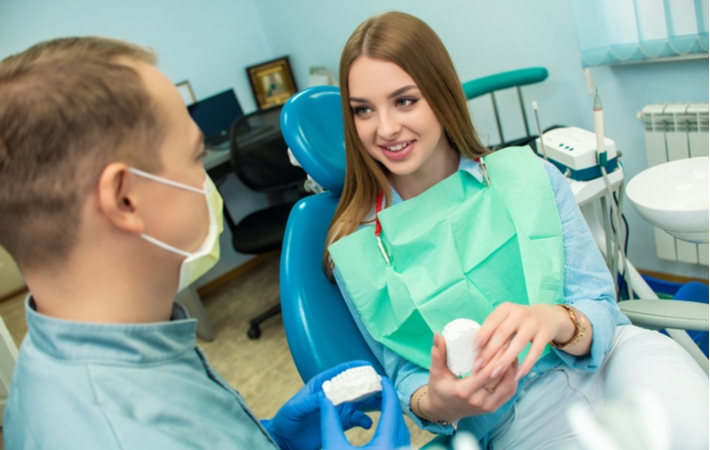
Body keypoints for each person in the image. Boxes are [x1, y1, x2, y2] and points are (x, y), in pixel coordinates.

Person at [0, 36, 410, 450]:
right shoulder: (123, 433)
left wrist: (272, 438)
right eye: (195, 158)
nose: (205, 180)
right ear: (126, 199)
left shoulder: (77, 362)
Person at [324, 11, 709, 449]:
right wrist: (440, 403)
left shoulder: (530, 175)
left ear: (441, 93)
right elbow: (406, 376)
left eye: (405, 100)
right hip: (514, 421)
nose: (386, 128)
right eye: (363, 110)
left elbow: (600, 303)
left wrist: (555, 319)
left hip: (615, 362)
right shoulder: (356, 252)